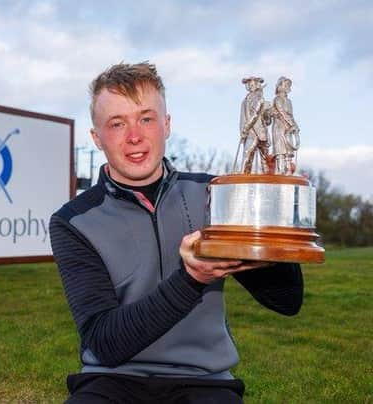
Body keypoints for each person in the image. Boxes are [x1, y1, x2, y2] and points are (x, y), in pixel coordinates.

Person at [49, 62, 303, 403]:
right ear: (97, 138)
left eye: (146, 118)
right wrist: (192, 278)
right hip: (110, 380)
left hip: (204, 381)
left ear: (166, 125)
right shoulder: (74, 220)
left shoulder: (215, 195)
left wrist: (270, 213)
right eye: (117, 123)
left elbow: (287, 301)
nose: (135, 136)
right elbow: (106, 344)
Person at [239, 77, 271, 174]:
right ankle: (244, 175)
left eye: (252, 84)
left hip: (259, 132)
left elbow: (255, 115)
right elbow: (243, 117)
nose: (250, 86)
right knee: (248, 153)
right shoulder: (245, 101)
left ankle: (268, 176)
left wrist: (246, 128)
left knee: (264, 157)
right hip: (250, 132)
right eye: (248, 85)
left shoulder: (260, 99)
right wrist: (242, 131)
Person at [271, 77, 300, 175]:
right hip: (279, 127)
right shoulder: (277, 99)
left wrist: (295, 125)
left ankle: (288, 170)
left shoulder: (289, 101)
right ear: (280, 87)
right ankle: (279, 170)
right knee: (280, 150)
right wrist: (291, 123)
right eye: (285, 85)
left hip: (288, 128)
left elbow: (291, 115)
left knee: (288, 150)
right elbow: (282, 112)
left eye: (288, 86)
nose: (288, 87)